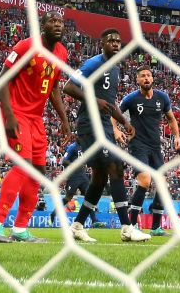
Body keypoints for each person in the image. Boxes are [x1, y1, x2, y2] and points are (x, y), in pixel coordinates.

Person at [0, 11, 71, 244]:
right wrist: (9, 116)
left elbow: (54, 88)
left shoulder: (62, 53)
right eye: (53, 21)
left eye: (61, 22)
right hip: (16, 113)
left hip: (36, 118)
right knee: (23, 166)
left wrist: (63, 119)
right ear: (43, 25)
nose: (58, 25)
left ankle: (20, 229)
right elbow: (2, 80)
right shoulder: (26, 46)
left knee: (37, 172)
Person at [61, 29, 151, 243]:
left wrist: (125, 121)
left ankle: (77, 225)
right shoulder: (93, 63)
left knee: (100, 179)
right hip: (90, 124)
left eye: (119, 41)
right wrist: (93, 100)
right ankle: (127, 227)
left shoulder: (115, 69)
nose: (116, 44)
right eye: (111, 40)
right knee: (115, 167)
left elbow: (109, 104)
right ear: (101, 43)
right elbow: (68, 87)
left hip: (105, 126)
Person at [120, 67, 180, 236]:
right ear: (137, 80)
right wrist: (117, 130)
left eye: (148, 75)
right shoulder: (131, 99)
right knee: (145, 180)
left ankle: (155, 227)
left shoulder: (162, 97)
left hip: (155, 147)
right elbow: (114, 114)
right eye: (142, 76)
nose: (146, 78)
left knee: (162, 184)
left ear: (152, 79)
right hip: (138, 145)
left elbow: (171, 118)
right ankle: (131, 224)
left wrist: (177, 137)